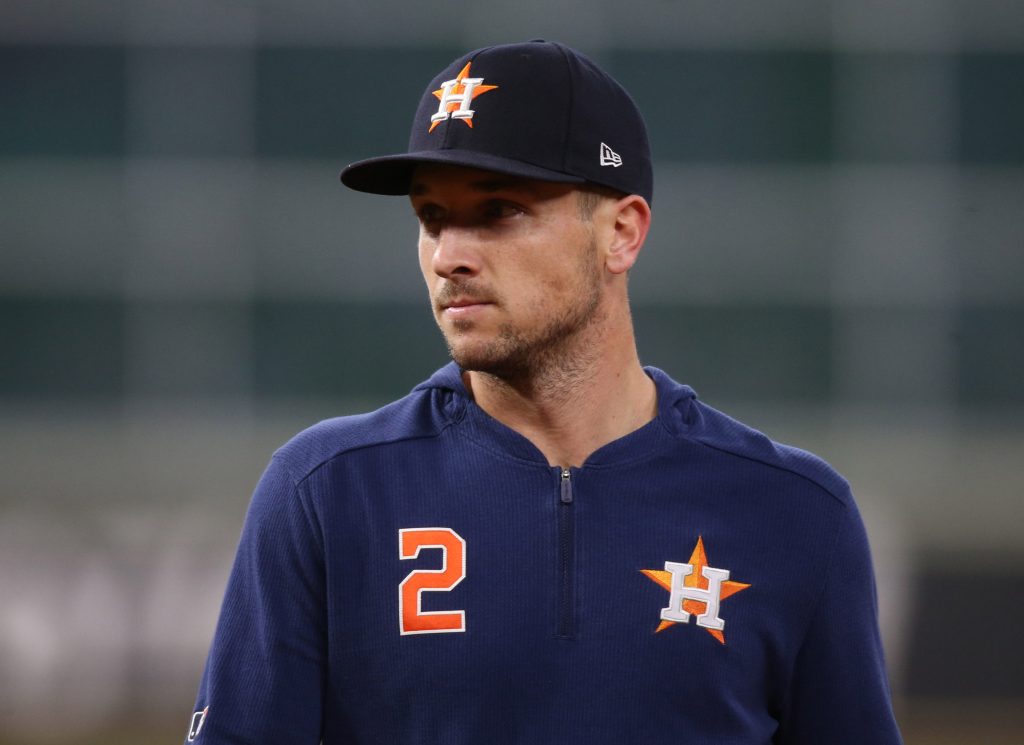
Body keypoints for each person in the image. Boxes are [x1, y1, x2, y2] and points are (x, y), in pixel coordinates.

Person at [186, 40, 903, 744]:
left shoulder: (794, 513)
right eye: (431, 217)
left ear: (621, 233)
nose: (449, 256)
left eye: (499, 211)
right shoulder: (329, 492)